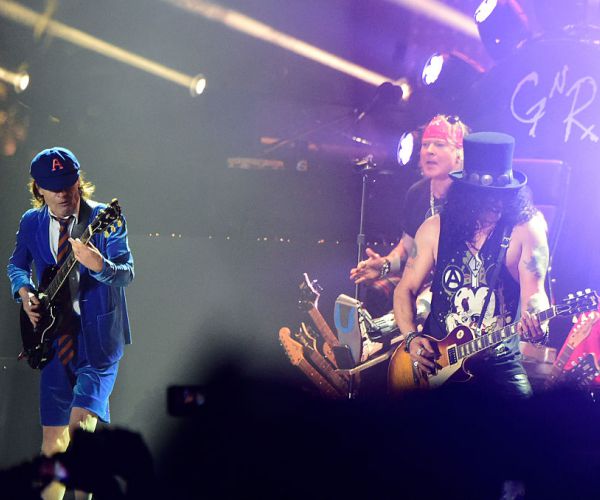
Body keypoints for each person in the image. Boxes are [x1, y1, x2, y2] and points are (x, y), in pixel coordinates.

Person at [6, 147, 134, 499]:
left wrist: (99, 265)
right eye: (53, 187)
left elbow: (126, 273)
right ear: (38, 188)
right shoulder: (31, 221)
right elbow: (17, 265)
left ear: (79, 182)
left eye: (68, 184)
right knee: (53, 443)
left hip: (98, 342)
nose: (62, 194)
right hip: (53, 341)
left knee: (80, 434)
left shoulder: (104, 218)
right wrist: (24, 292)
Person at [393, 132, 549, 397]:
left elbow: (535, 293)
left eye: (501, 195)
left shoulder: (525, 230)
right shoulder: (434, 228)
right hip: (437, 362)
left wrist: (538, 323)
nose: (494, 203)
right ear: (465, 193)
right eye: (485, 195)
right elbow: (404, 289)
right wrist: (411, 338)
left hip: (498, 363)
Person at [350, 115, 470, 314]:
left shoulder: (471, 195)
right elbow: (407, 248)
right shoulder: (417, 193)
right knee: (377, 294)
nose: (429, 151)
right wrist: (385, 265)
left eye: (439, 144)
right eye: (425, 145)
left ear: (459, 153)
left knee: (424, 306)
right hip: (422, 276)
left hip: (461, 280)